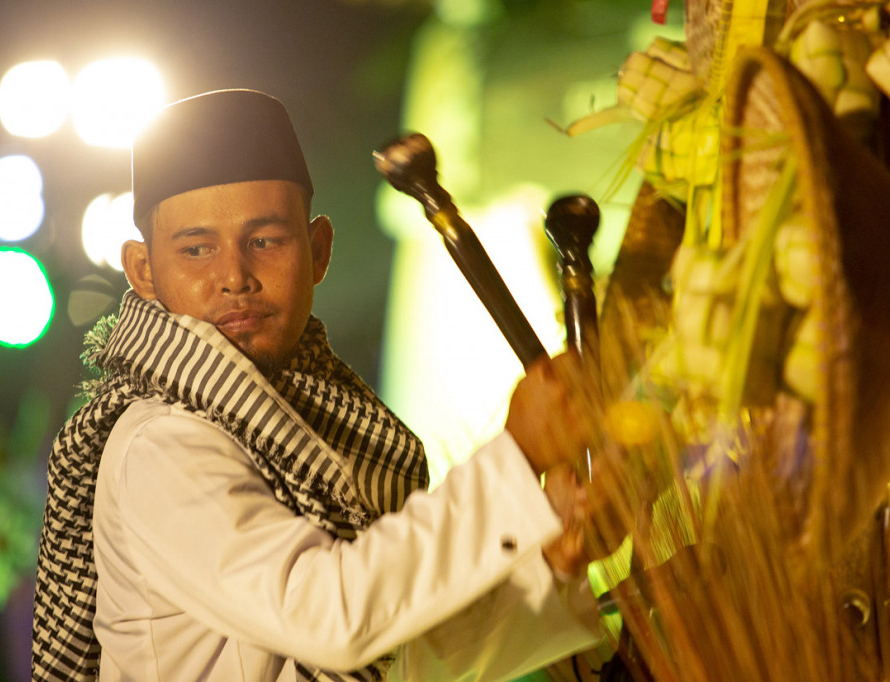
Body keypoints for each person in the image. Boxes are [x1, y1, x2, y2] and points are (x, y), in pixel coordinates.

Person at [32, 88, 601, 681]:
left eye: (264, 241)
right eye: (197, 249)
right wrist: (516, 456)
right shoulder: (161, 443)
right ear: (144, 272)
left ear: (319, 250)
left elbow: (392, 661)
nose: (234, 277)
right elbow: (331, 618)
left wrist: (554, 567)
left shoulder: (310, 418)